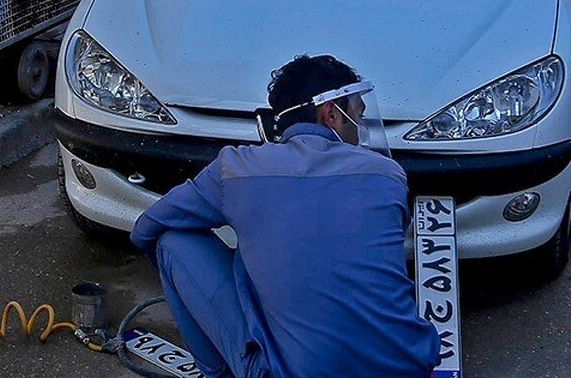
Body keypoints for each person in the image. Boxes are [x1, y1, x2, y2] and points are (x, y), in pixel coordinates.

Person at [131, 55, 440, 378]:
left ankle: (218, 373)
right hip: (408, 368)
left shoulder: (236, 170)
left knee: (172, 242)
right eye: (358, 117)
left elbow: (147, 228)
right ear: (331, 114)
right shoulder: (387, 174)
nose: (360, 130)